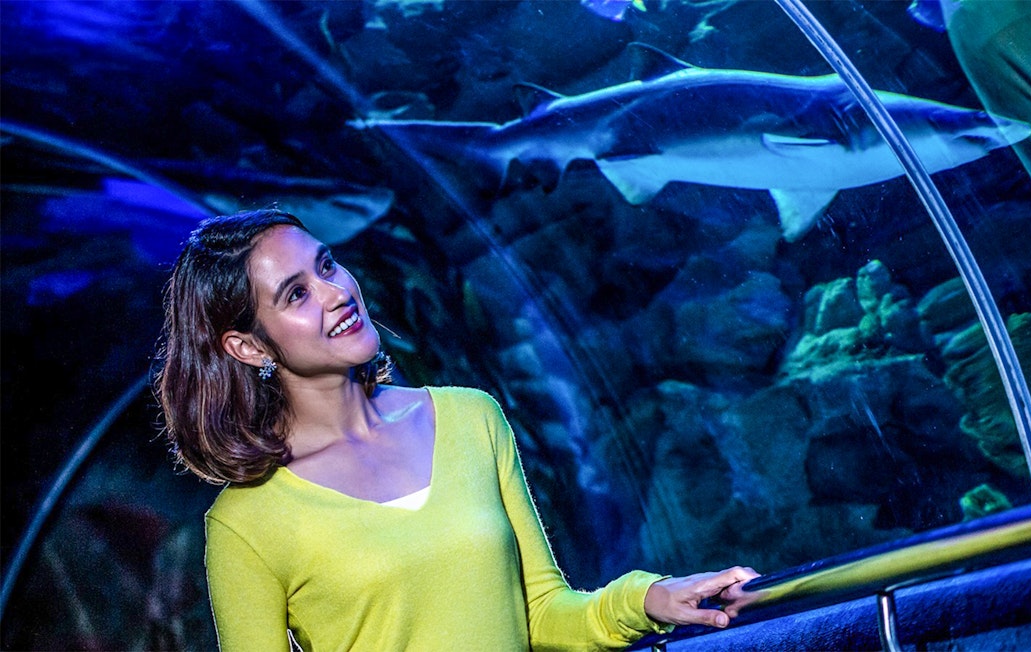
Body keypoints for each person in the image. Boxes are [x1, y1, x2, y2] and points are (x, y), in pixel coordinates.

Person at [155, 209, 759, 651]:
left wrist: (649, 600)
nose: (338, 292)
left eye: (327, 264)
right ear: (247, 345)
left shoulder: (471, 417)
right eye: (296, 294)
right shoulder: (247, 524)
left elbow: (544, 613)